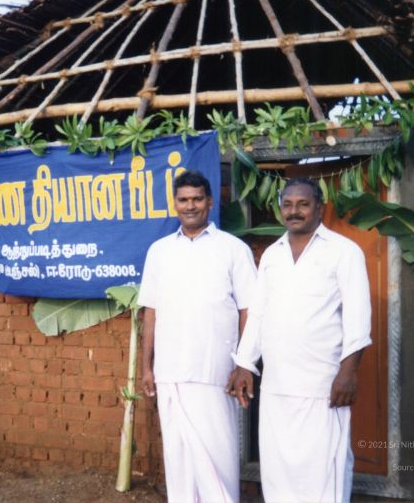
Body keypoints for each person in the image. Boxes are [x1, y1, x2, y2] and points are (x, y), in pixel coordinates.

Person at [227, 177, 372, 503]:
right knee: (278, 472)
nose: (294, 211)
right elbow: (258, 314)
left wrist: (348, 372)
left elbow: (358, 318)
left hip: (322, 387)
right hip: (277, 387)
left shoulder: (344, 252)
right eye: (288, 205)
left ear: (319, 207)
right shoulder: (272, 256)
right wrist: (244, 364)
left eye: (303, 204)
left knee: (324, 472)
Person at [137, 169, 257, 503]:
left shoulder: (233, 249)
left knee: (218, 458)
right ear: (175, 203)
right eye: (183, 200)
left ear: (210, 202)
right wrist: (147, 367)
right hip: (170, 373)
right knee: (178, 460)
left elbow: (250, 311)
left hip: (214, 372)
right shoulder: (159, 251)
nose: (190, 206)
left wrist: (243, 364)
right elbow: (151, 313)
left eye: (197, 199)